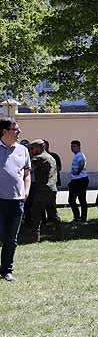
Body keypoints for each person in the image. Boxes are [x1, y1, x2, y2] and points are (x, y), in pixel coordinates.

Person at [0, 120, 31, 282]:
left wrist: (26, 192)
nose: (19, 132)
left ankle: (6, 270)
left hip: (17, 201)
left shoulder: (23, 150)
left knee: (11, 239)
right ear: (5, 131)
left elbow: (26, 174)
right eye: (15, 129)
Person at [25, 140, 59, 242]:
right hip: (52, 189)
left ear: (39, 148)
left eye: (32, 148)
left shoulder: (39, 158)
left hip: (42, 189)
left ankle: (35, 237)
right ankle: (58, 234)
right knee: (53, 213)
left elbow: (27, 169)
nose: (31, 151)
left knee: (35, 213)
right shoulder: (51, 157)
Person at [67, 140, 89, 223]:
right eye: (71, 147)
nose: (72, 148)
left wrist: (78, 172)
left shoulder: (79, 155)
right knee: (80, 199)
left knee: (74, 200)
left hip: (79, 180)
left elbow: (82, 163)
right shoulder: (77, 155)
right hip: (79, 180)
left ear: (79, 147)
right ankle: (80, 218)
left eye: (74, 146)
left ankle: (79, 218)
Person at [42, 140, 61, 223]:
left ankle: (53, 219)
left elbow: (59, 167)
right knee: (42, 203)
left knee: (51, 203)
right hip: (42, 184)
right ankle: (43, 220)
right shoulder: (38, 157)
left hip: (51, 183)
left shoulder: (54, 156)